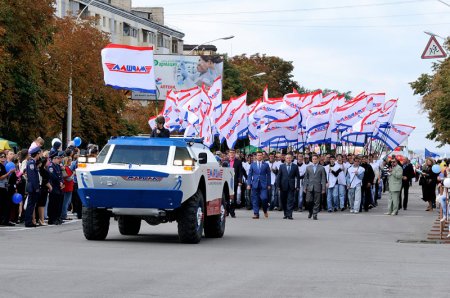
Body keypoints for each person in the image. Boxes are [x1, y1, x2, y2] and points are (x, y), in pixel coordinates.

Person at [247, 151, 271, 219]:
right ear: (256, 156)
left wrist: (269, 184)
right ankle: (256, 213)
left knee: (264, 198)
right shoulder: (252, 165)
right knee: (255, 199)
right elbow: (250, 175)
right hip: (255, 184)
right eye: (258, 155)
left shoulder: (266, 165)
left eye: (261, 155)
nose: (259, 156)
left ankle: (265, 210)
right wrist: (249, 183)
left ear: (262, 156)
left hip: (263, 184)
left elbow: (268, 175)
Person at [276, 153, 300, 219]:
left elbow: (298, 177)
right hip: (283, 186)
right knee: (283, 200)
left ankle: (290, 215)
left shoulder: (295, 166)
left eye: (290, 158)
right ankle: (285, 213)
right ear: (285, 159)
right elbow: (279, 176)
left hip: (291, 186)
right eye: (287, 158)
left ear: (292, 159)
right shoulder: (282, 166)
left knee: (290, 200)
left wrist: (298, 186)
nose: (289, 159)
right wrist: (278, 186)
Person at [303, 154, 327, 220]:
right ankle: (310, 211)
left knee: (317, 201)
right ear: (312, 160)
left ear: (318, 159)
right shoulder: (308, 167)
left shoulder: (321, 168)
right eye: (313, 159)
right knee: (308, 200)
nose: (314, 160)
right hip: (309, 186)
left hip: (318, 186)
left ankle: (315, 214)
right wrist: (304, 186)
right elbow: (306, 178)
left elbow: (323, 179)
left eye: (316, 159)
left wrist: (323, 188)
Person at [24, 147, 42, 227]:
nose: (40, 155)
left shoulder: (33, 163)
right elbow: (33, 177)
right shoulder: (31, 163)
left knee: (32, 205)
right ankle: (28, 222)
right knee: (30, 205)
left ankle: (29, 221)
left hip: (33, 187)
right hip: (33, 187)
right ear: (37, 154)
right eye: (39, 154)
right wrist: (36, 187)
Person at [48, 151, 65, 225]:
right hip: (54, 187)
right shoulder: (51, 166)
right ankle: (52, 218)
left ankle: (57, 217)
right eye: (57, 158)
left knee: (58, 203)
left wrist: (62, 182)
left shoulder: (58, 166)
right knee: (53, 204)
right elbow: (53, 177)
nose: (59, 160)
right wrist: (59, 182)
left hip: (59, 187)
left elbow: (60, 175)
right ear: (54, 159)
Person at [226, 149, 244, 218]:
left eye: (233, 153)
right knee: (227, 197)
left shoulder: (238, 162)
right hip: (226, 181)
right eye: (231, 153)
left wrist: (240, 181)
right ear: (229, 154)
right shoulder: (225, 161)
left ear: (235, 154)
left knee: (233, 197)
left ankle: (232, 212)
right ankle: (227, 211)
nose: (232, 154)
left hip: (234, 181)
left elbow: (240, 172)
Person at [0, 151, 16, 226]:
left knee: (5, 204)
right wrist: (9, 172)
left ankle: (5, 220)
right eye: (1, 157)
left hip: (5, 187)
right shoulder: (0, 166)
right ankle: (5, 220)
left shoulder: (3, 166)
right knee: (6, 203)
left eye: (4, 157)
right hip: (1, 187)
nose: (3, 158)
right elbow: (1, 177)